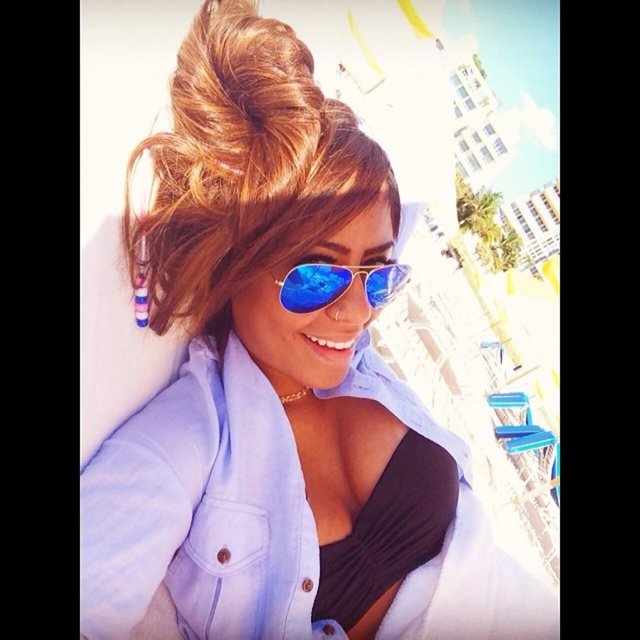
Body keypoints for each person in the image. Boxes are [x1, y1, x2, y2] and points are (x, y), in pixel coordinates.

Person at [80, 1, 559, 639]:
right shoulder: (187, 441)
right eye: (316, 273)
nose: (357, 310)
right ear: (236, 261)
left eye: (379, 273)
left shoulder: (359, 365)